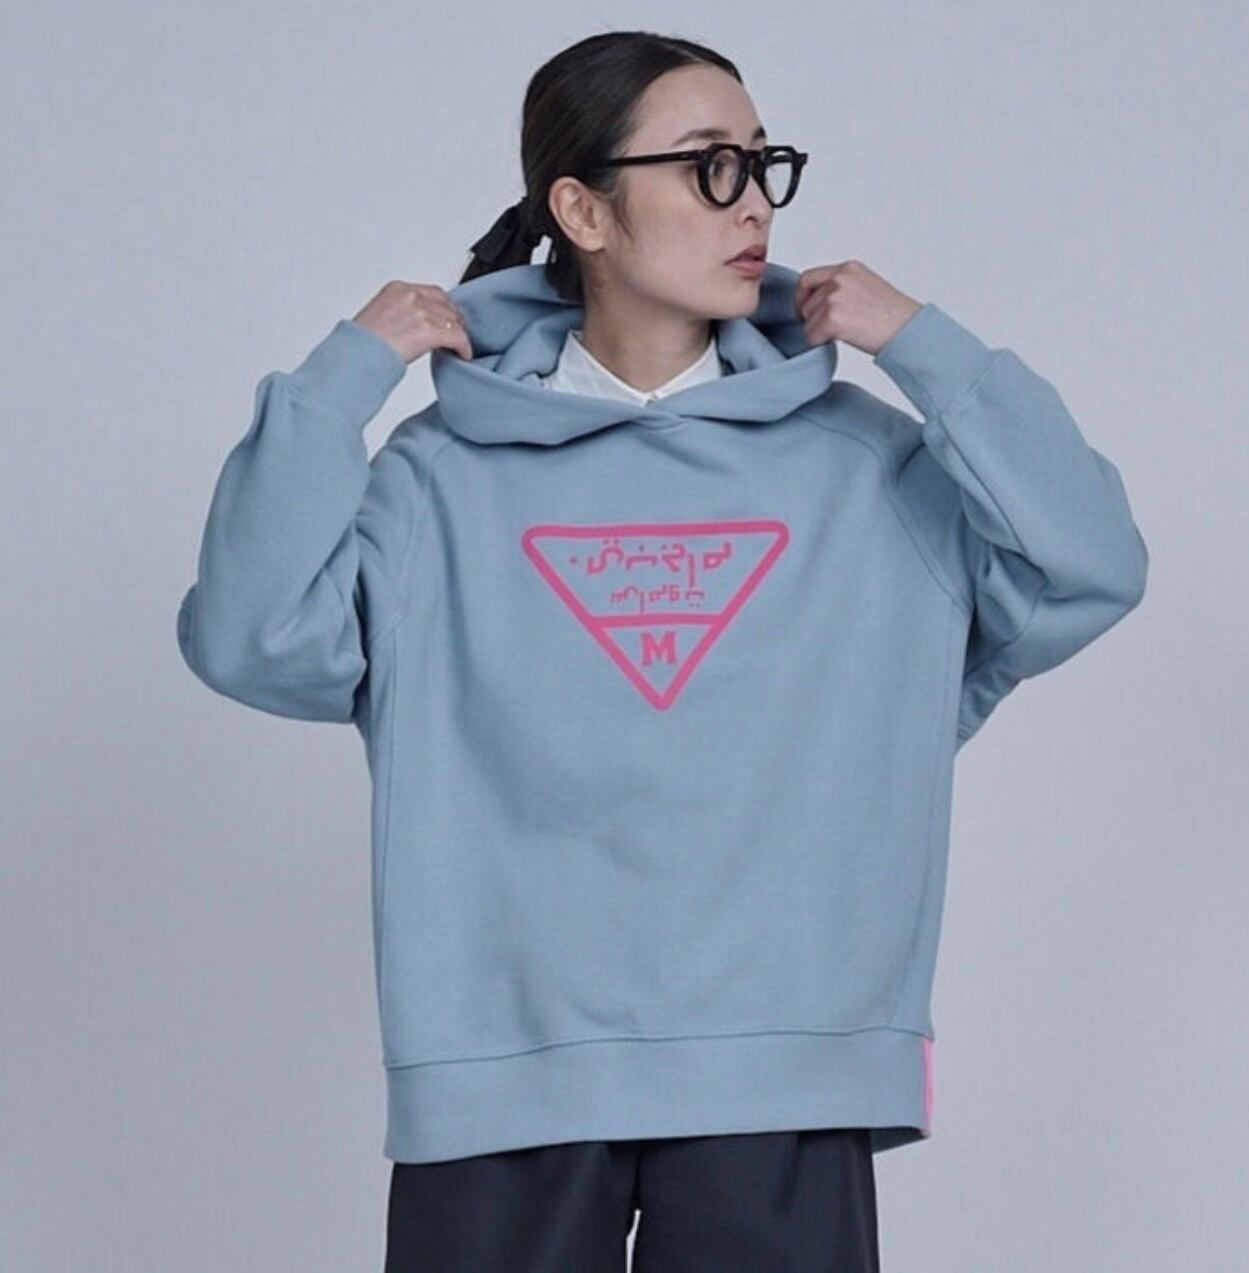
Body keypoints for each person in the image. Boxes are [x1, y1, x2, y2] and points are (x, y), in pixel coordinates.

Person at [175, 28, 1148, 1273]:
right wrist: (341, 379)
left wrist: (927, 346)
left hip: (786, 1070)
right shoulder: (436, 482)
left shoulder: (869, 473)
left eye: (762, 163)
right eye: (707, 165)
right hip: (499, 1073)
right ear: (581, 209)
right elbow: (248, 636)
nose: (753, 205)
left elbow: (1091, 560)